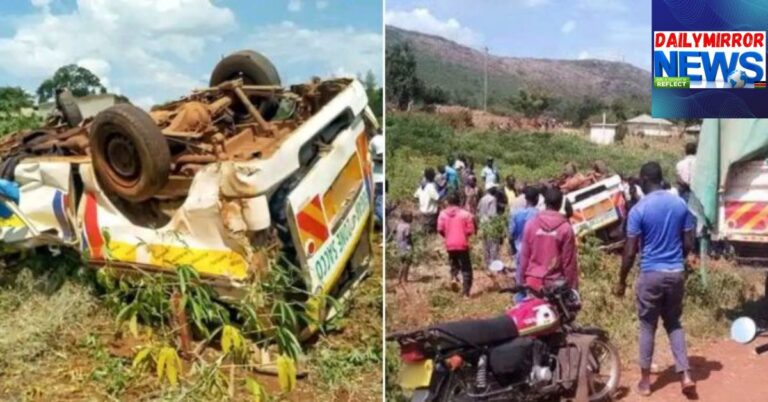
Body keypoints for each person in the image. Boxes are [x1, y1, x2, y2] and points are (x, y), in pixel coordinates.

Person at [613, 161, 696, 398]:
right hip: (675, 273)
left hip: (650, 274)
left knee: (648, 326)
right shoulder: (680, 204)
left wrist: (621, 280)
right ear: (660, 178)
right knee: (674, 323)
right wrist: (677, 262)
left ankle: (646, 383)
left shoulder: (639, 210)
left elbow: (629, 252)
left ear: (644, 180)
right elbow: (689, 242)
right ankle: (686, 376)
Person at [519, 187, 578, 291]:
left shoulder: (531, 224)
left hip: (532, 282)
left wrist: (521, 281)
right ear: (560, 205)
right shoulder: (565, 228)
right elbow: (568, 263)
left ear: (545, 202)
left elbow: (524, 256)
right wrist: (573, 289)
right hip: (555, 286)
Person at [437, 192, 476, 297]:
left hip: (450, 244)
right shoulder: (466, 214)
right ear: (459, 201)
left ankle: (454, 277)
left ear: (448, 202)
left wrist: (447, 235)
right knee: (466, 268)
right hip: (462, 243)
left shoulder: (442, 214)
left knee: (454, 263)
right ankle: (466, 293)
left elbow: (440, 229)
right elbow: (470, 230)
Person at [509, 186, 540, 282]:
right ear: (537, 199)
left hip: (520, 250)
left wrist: (513, 248)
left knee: (520, 274)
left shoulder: (516, 214)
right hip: (536, 251)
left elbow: (511, 233)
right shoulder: (540, 215)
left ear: (525, 199)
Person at [477, 186, 500, 268]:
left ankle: (487, 263)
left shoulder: (482, 198)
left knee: (485, 244)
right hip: (490, 224)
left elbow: (478, 209)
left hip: (483, 224)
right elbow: (492, 214)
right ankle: (493, 264)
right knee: (493, 245)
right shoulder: (493, 199)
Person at [414, 168, 440, 233]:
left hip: (422, 210)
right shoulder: (430, 187)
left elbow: (415, 195)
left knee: (424, 228)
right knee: (430, 229)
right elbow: (437, 198)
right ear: (433, 177)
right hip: (430, 212)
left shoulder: (422, 186)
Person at [369, 130, 384, 227]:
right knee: (378, 202)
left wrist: (368, 159)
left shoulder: (377, 140)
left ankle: (384, 224)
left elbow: (382, 158)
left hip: (379, 178)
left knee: (379, 202)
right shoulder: (379, 139)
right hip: (379, 178)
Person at [395, 210, 414, 283]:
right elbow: (408, 236)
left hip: (400, 247)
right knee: (407, 263)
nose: (412, 219)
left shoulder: (399, 225)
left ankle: (399, 278)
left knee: (402, 263)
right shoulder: (407, 226)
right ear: (407, 218)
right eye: (411, 217)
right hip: (406, 247)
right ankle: (405, 279)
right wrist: (411, 245)